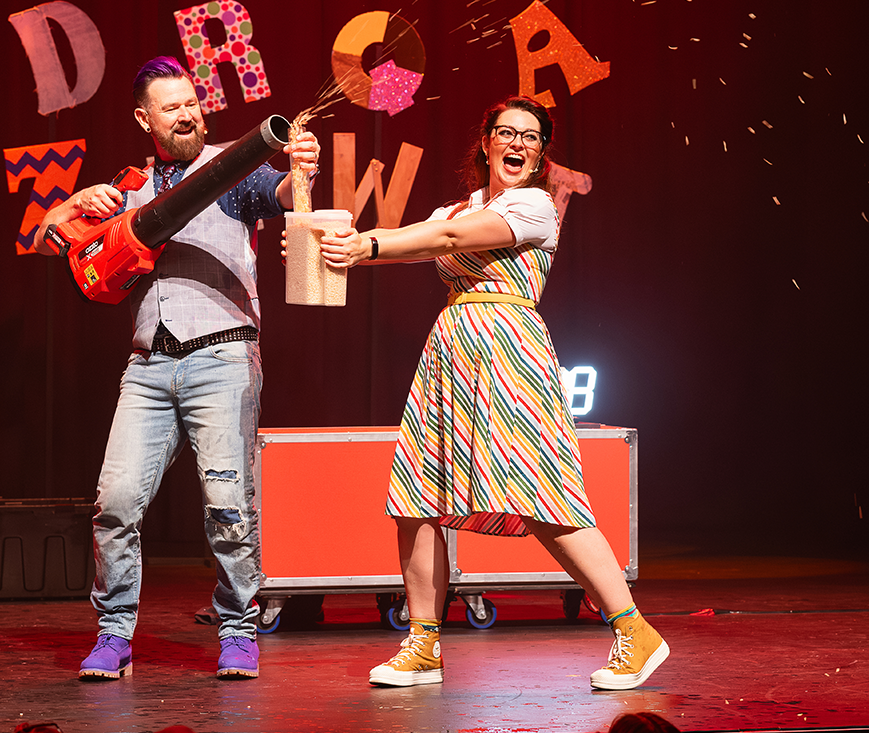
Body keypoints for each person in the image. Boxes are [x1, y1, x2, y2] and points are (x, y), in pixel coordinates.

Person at [303, 95, 669, 691]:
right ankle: (422, 643)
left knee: (544, 495)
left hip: (509, 351)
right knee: (417, 495)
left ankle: (634, 629)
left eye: (530, 136)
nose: (517, 144)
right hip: (450, 352)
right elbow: (418, 239)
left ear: (541, 153)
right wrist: (329, 250)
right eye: (506, 133)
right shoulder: (462, 204)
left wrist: (365, 247)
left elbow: (444, 239)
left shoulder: (534, 206)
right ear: (487, 141)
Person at [35, 56, 320, 681]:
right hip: (148, 366)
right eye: (172, 106)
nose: (188, 112)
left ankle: (238, 630)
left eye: (192, 101)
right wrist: (68, 208)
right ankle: (113, 636)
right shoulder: (126, 188)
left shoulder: (229, 169)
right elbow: (50, 242)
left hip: (223, 357)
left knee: (228, 506)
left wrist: (299, 172)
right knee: (115, 502)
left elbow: (274, 193)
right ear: (145, 119)